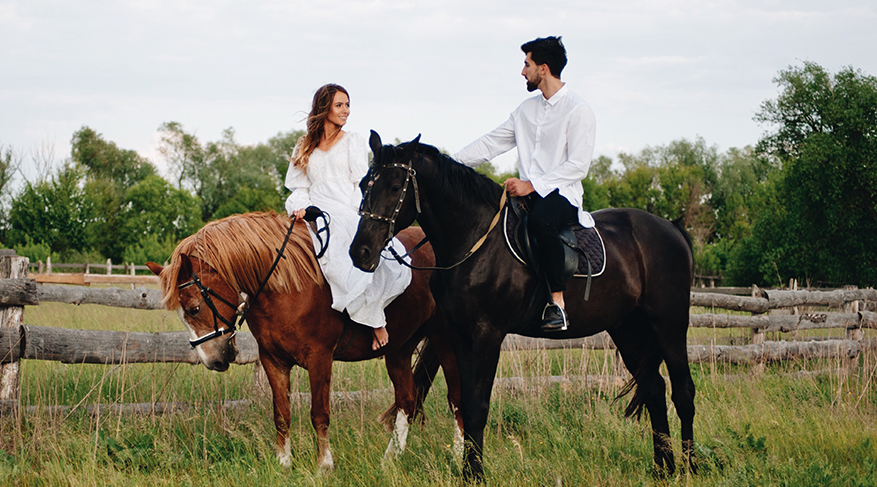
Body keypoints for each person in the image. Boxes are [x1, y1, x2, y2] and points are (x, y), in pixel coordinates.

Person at [453, 36, 596, 332]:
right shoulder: (525, 111)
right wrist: (449, 165)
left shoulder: (578, 110)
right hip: (527, 193)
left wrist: (532, 185)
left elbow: (579, 166)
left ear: (543, 69)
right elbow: (492, 143)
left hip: (561, 195)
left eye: (526, 64)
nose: (522, 71)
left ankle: (557, 303)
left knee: (541, 221)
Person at [285, 84, 411, 350]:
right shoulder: (304, 145)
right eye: (339, 105)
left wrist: (355, 213)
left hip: (347, 206)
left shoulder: (353, 141)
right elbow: (299, 188)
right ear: (324, 108)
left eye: (347, 105)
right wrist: (302, 207)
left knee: (348, 251)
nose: (345, 111)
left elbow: (360, 183)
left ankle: (375, 319)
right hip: (315, 209)